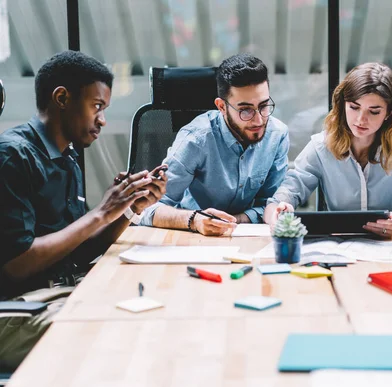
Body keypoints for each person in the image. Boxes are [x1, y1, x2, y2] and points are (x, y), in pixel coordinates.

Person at [0, 50, 167, 369]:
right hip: (16, 311)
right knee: (119, 333)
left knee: (153, 307)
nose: (102, 120)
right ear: (62, 98)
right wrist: (101, 213)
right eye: (97, 106)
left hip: (57, 294)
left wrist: (129, 209)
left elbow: (75, 250)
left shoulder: (68, 157)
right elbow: (16, 265)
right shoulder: (13, 157)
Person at [264, 62, 392, 238]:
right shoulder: (321, 146)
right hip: (336, 247)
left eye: (374, 111)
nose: (361, 119)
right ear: (343, 104)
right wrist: (278, 214)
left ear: (389, 112)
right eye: (354, 107)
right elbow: (281, 198)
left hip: (389, 244)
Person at [139, 54, 289, 236]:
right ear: (222, 107)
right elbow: (148, 209)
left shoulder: (277, 135)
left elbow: (270, 202)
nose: (258, 120)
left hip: (246, 237)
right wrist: (195, 220)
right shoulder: (196, 140)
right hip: (191, 236)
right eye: (246, 110)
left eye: (264, 106)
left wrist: (240, 219)